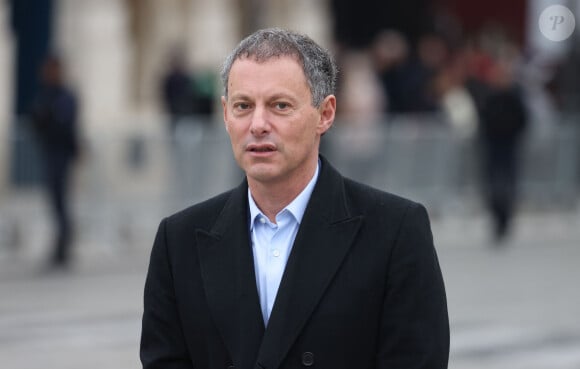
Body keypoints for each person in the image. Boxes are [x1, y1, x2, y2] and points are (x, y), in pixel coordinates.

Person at [141, 28, 449, 369]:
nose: (258, 124)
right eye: (243, 106)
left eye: (280, 105)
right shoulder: (178, 240)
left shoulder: (396, 231)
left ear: (326, 114)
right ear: (226, 114)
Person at [30, 55, 79, 268]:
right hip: (50, 153)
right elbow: (37, 121)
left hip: (61, 155)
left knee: (61, 202)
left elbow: (64, 124)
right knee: (55, 202)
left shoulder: (64, 96)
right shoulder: (46, 95)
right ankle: (60, 244)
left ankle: (64, 245)